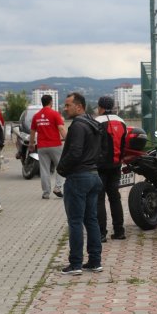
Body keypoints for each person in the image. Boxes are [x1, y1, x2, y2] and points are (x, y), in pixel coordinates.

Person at [56, 92, 103, 275]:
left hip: (78, 177)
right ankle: (94, 261)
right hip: (94, 176)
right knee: (91, 220)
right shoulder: (94, 124)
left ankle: (75, 264)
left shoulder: (77, 126)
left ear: (79, 106)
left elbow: (74, 152)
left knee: (75, 221)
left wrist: (61, 169)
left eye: (68, 105)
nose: (65, 108)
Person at [94, 96, 127, 242]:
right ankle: (119, 231)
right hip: (116, 165)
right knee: (115, 198)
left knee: (99, 199)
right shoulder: (122, 122)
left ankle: (101, 234)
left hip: (100, 167)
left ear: (100, 107)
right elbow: (124, 144)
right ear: (113, 106)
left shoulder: (96, 122)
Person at [29, 94, 67, 199]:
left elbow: (32, 132)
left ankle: (46, 193)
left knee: (44, 169)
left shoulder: (36, 116)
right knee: (61, 167)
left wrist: (31, 144)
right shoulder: (55, 114)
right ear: (51, 102)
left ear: (42, 102)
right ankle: (58, 188)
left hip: (42, 146)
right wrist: (69, 141)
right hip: (55, 145)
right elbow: (61, 129)